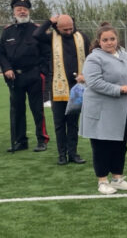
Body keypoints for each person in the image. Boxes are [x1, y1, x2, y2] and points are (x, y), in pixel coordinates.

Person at [80, 22, 127, 195]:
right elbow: (94, 82)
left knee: (120, 145)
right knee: (102, 145)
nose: (109, 42)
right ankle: (102, 181)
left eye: (112, 39)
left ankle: (117, 178)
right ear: (99, 41)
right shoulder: (94, 58)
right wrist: (118, 89)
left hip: (124, 110)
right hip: (102, 110)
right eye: (105, 39)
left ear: (118, 39)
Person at [34, 14, 90, 165]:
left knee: (73, 123)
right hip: (57, 87)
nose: (68, 31)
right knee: (59, 124)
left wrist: (85, 74)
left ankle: (73, 153)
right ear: (57, 28)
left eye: (70, 28)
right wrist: (49, 21)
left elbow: (90, 57)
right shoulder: (51, 37)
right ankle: (62, 155)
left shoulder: (81, 37)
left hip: (77, 88)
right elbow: (37, 34)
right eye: (64, 29)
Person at [0, 0, 49, 153]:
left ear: (29, 11)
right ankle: (20, 140)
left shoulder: (37, 30)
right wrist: (6, 68)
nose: (22, 12)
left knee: (37, 109)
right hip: (15, 77)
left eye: (24, 9)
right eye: (18, 9)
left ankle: (42, 140)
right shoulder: (7, 31)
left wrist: (43, 72)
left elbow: (46, 53)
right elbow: (1, 53)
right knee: (17, 110)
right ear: (13, 12)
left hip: (34, 75)